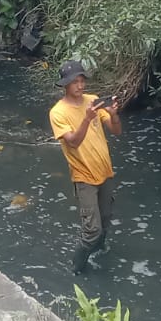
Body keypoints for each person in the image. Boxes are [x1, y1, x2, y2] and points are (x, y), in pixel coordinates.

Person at [49, 61, 122, 273]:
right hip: (84, 176)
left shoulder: (93, 101)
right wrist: (87, 119)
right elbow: (72, 141)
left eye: (82, 81)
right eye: (75, 82)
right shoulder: (58, 112)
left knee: (106, 219)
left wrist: (114, 114)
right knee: (92, 229)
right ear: (66, 85)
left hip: (105, 172)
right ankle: (76, 268)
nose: (80, 86)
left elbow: (116, 131)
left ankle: (99, 251)